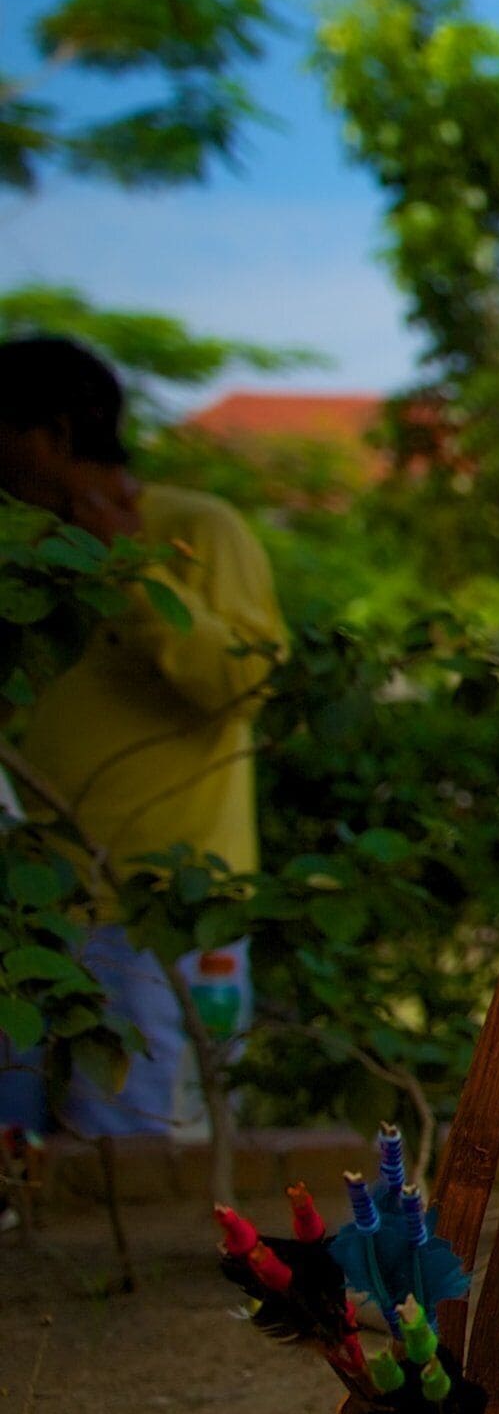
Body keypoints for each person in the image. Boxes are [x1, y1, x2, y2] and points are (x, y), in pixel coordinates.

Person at [0, 335, 284, 1136]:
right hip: (31, 905)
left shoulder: (198, 530)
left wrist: (130, 572)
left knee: (138, 1142)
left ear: (52, 433)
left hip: (165, 912)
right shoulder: (23, 562)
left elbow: (241, 684)